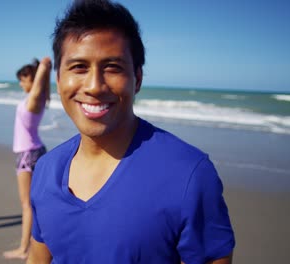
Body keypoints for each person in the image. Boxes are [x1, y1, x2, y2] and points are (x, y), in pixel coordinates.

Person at [27, 1, 235, 263]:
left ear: (137, 78)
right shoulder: (46, 170)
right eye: (79, 67)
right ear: (58, 80)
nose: (94, 86)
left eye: (112, 67)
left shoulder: (188, 175)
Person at [3, 57, 52, 259]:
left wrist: (43, 66)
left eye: (24, 79)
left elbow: (40, 80)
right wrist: (44, 69)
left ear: (33, 80)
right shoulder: (39, 99)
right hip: (37, 150)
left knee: (27, 205)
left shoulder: (34, 99)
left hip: (27, 154)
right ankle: (36, 244)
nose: (21, 84)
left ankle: (24, 249)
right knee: (35, 204)